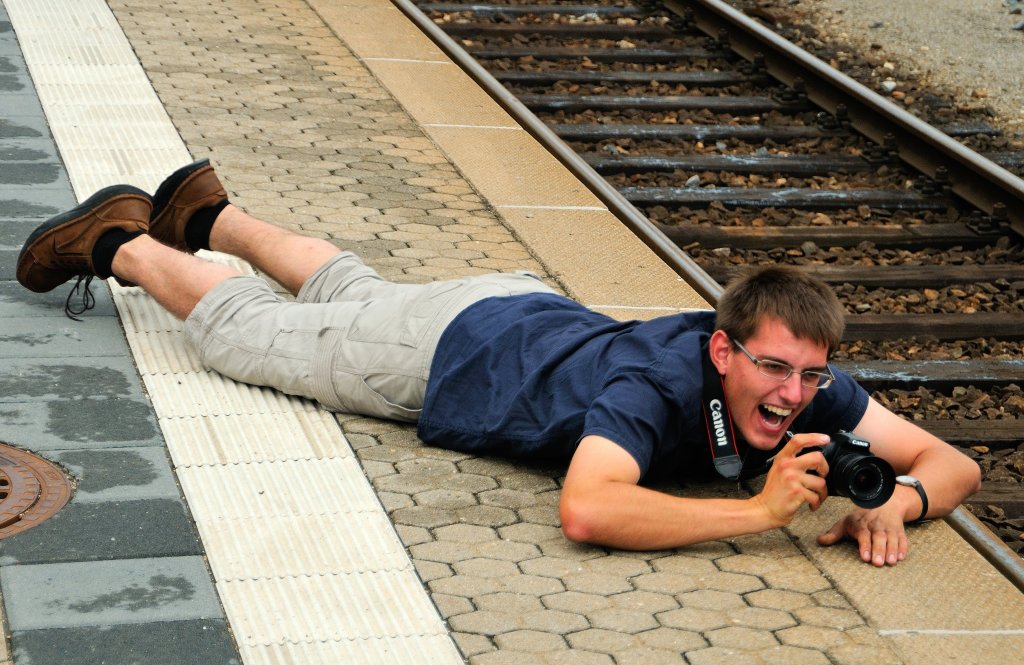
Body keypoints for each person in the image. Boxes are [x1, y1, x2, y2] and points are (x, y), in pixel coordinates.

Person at [17, 159, 981, 566]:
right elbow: (589, 508)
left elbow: (954, 465)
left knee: (356, 293)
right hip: (450, 355)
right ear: (722, 347)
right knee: (250, 336)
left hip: (515, 307)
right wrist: (758, 512)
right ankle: (124, 243)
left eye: (810, 378)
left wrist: (895, 504)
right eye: (774, 372)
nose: (793, 395)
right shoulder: (655, 386)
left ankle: (208, 212)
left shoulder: (807, 383)